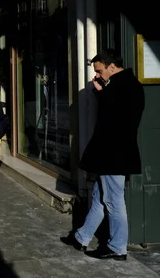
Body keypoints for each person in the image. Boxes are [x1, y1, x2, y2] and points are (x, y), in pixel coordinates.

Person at [61, 49, 145, 260]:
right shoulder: (130, 85)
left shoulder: (118, 86)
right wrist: (103, 92)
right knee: (100, 197)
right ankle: (82, 237)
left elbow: (113, 121)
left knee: (113, 201)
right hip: (116, 154)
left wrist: (101, 93)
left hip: (112, 155)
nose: (97, 75)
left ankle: (117, 247)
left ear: (111, 67)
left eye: (99, 71)